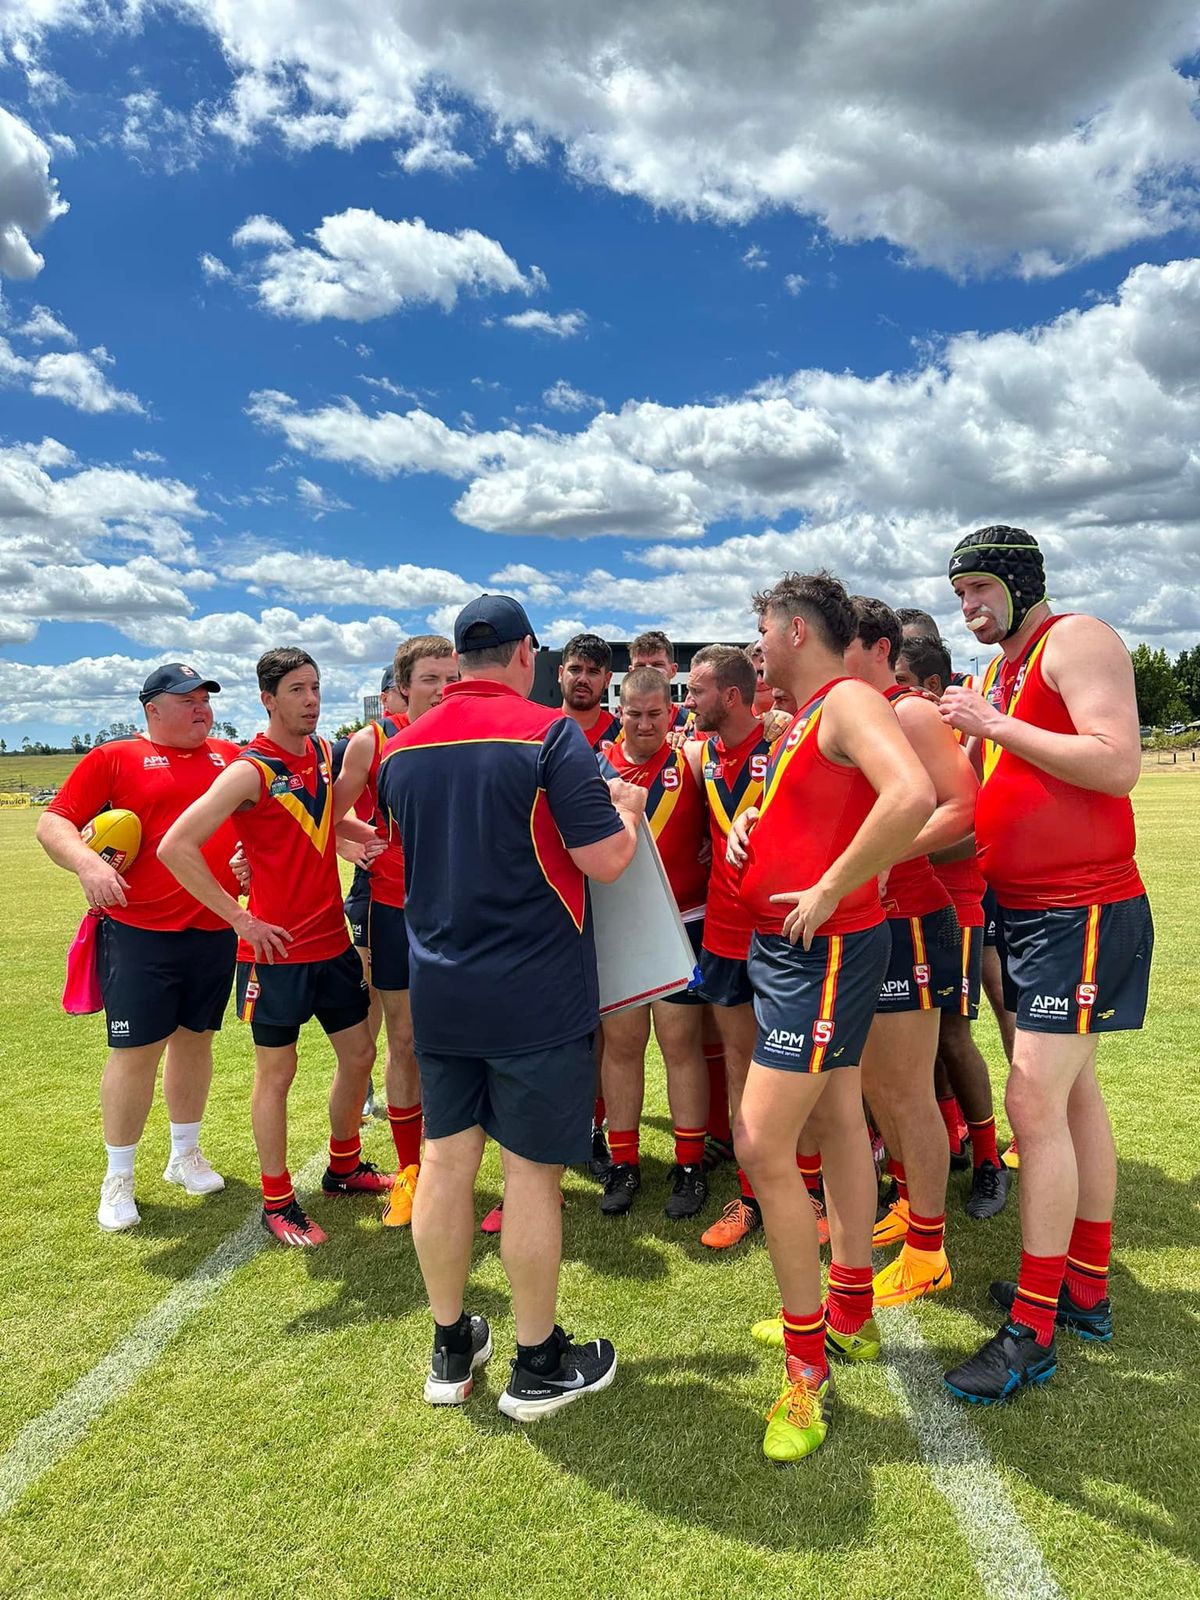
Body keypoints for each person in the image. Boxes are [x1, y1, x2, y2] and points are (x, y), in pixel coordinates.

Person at [376, 595, 645, 1419]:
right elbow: (603, 861)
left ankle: (451, 1344)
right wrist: (628, 815)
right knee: (531, 1173)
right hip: (534, 991)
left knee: (447, 1165)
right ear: (526, 653)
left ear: (459, 660)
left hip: (442, 990)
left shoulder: (400, 750)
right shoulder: (548, 733)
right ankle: (537, 1360)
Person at [939, 526, 1153, 1403]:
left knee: (1033, 1100)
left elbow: (1119, 763)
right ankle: (1086, 1289)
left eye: (981, 588)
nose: (969, 607)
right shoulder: (1001, 674)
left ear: (1023, 584)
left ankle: (1033, 1328)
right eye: (960, 595)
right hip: (1030, 913)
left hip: (1086, 909)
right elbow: (979, 801)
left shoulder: (1078, 640)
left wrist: (995, 724)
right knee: (1071, 1097)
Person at [728, 571, 935, 1462]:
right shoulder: (810, 715)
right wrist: (749, 824)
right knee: (840, 1120)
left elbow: (912, 796)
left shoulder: (848, 699)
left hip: (827, 951)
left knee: (761, 1146)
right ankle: (847, 1311)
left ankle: (808, 1371)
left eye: (762, 631)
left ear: (796, 630)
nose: (755, 647)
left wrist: (831, 883)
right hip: (793, 952)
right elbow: (813, 807)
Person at [159, 648, 388, 1249]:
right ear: (268, 699)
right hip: (275, 953)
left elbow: (309, 822)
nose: (311, 699)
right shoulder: (247, 770)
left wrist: (352, 834)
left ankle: (343, 1167)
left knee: (360, 1054)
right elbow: (175, 846)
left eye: (315, 687)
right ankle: (278, 1199)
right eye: (296, 690)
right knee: (277, 1074)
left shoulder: (319, 753)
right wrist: (241, 919)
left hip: (333, 943)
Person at [38, 664, 240, 1231]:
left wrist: (247, 860)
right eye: (188, 700)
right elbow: (54, 823)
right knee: (136, 1053)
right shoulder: (114, 758)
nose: (202, 708)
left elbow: (253, 823)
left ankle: (184, 1154)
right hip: (140, 931)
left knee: (195, 1041)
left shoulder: (228, 756)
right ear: (152, 708)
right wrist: (85, 865)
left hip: (213, 927)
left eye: (206, 699)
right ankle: (119, 1175)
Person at [841, 598, 977, 1309]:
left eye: (847, 643)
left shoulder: (911, 712)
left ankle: (928, 1249)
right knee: (874, 1086)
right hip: (870, 922)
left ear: (877, 646)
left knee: (905, 1089)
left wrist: (890, 852)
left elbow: (961, 807)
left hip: (915, 922)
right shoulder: (856, 713)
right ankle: (910, 1209)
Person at [334, 636, 458, 1227]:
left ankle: (457, 1165)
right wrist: (356, 841)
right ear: (403, 687)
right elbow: (327, 814)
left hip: (464, 907)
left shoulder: (467, 732)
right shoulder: (373, 740)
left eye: (450, 677)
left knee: (464, 1038)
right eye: (430, 679)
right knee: (405, 1039)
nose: (442, 689)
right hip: (395, 906)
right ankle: (411, 1174)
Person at [894, 632, 1011, 1220]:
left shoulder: (964, 739)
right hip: (903, 907)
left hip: (955, 907)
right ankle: (949, 1140)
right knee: (908, 1050)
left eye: (904, 683)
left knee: (952, 1039)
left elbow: (970, 832)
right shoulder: (899, 733)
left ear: (933, 688)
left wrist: (891, 851)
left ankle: (989, 1158)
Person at [598, 666, 711, 1220]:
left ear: (673, 711)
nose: (644, 724)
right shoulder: (596, 765)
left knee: (680, 1043)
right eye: (634, 714)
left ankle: (689, 1165)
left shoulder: (690, 760)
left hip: (684, 921)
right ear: (619, 710)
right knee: (620, 1045)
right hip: (620, 925)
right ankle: (623, 1162)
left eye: (655, 714)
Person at [683, 644, 773, 1249]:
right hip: (722, 934)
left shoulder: (783, 744)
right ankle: (749, 1194)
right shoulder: (697, 755)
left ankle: (811, 1188)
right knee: (740, 1064)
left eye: (696, 691)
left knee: (797, 1069)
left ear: (733, 696)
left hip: (783, 932)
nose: (686, 702)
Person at [334, 664, 409, 1115]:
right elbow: (324, 811)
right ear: (391, 696)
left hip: (416, 880)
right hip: (375, 878)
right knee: (372, 989)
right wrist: (351, 843)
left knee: (407, 1003)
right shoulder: (363, 741)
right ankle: (361, 1081)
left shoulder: (430, 738)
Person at [558, 632, 622, 749]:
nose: (582, 679)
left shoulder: (624, 736)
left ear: (607, 680)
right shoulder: (540, 730)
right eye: (575, 669)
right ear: (561, 674)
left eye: (593, 672)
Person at [627, 629, 693, 732]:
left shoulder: (692, 722)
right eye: (640, 666)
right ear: (631, 672)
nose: (648, 671)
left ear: (673, 670)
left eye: (657, 665)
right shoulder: (619, 725)